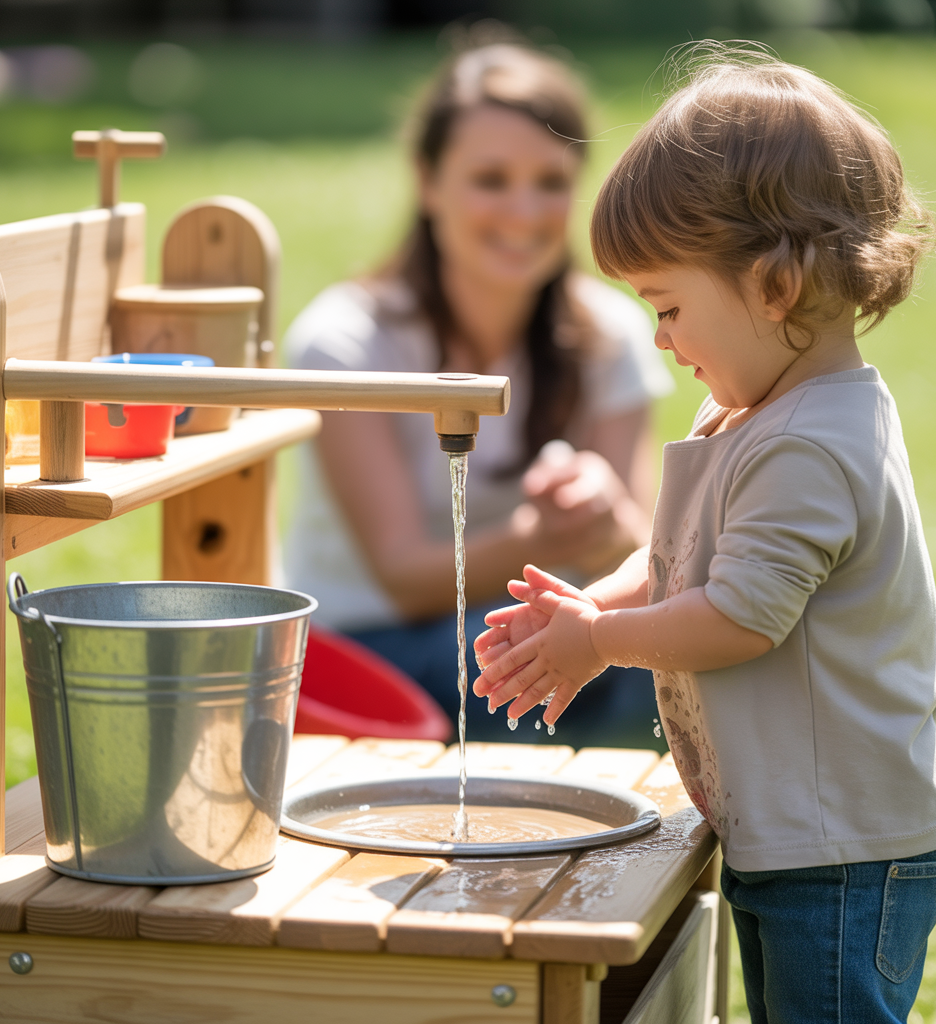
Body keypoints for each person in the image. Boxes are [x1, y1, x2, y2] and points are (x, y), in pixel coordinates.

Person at [473, 47, 936, 1022]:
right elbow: (679, 563)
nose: (659, 337)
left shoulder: (810, 446)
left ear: (772, 288)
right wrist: (588, 607)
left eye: (668, 306)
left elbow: (739, 617)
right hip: (795, 827)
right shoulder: (746, 412)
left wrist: (598, 643)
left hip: (847, 846)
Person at [283, 41, 673, 747]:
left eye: (550, 181)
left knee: (675, 650)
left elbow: (643, 550)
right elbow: (400, 575)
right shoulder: (346, 341)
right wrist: (541, 538)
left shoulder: (610, 332)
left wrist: (604, 512)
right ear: (429, 182)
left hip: (528, 627)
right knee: (583, 668)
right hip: (370, 651)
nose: (524, 210)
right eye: (490, 179)